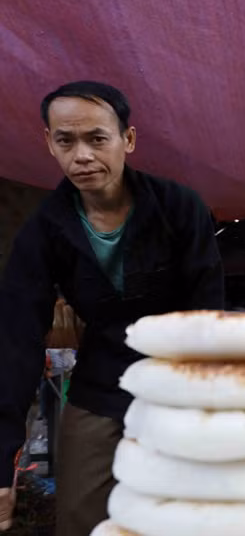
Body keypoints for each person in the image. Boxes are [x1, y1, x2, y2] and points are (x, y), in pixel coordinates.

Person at [0, 81, 224, 535]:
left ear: (128, 139)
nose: (82, 156)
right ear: (49, 142)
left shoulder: (179, 208)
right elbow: (17, 340)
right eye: (66, 141)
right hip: (99, 389)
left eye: (97, 139)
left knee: (186, 517)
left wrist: (204, 411)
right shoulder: (45, 229)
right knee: (81, 516)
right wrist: (1, 459)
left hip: (177, 386)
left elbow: (207, 318)